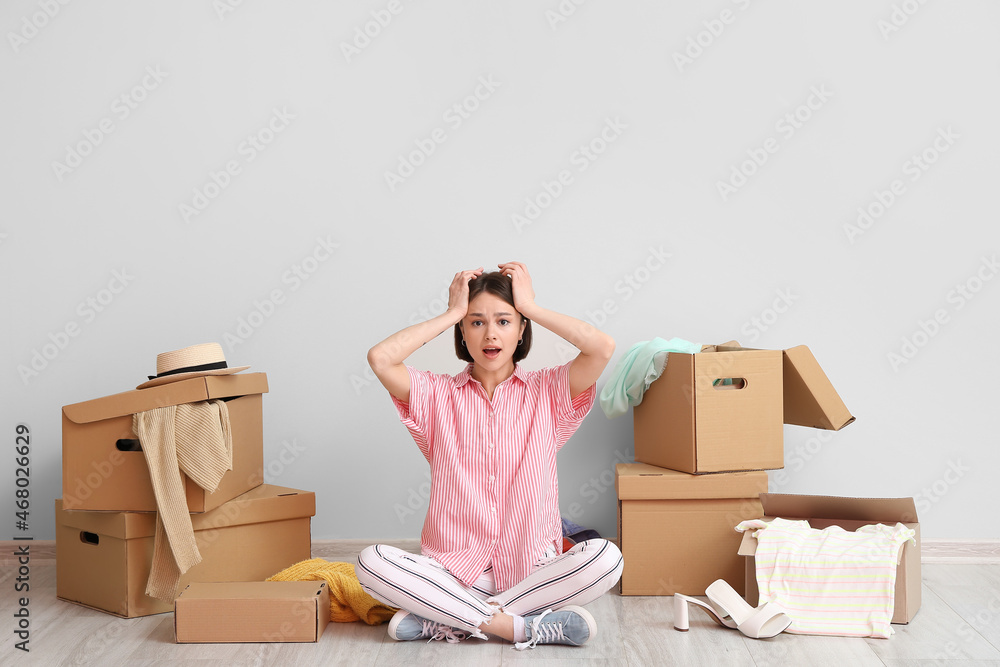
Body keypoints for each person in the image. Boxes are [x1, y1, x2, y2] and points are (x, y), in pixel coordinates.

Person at [356, 262, 624, 650]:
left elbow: (602, 347)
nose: (491, 333)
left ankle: (449, 618)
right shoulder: (436, 395)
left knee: (607, 559)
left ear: (520, 331)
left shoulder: (548, 391)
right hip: (454, 571)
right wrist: (451, 311)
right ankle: (520, 627)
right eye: (476, 322)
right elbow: (381, 358)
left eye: (504, 321)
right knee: (370, 562)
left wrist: (530, 305)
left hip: (535, 572)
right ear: (463, 333)